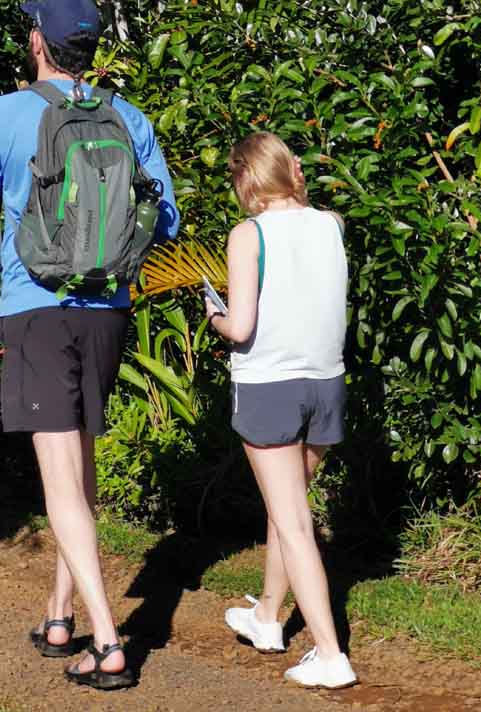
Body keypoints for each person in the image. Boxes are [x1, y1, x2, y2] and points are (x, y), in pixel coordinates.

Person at [0, 0, 179, 690]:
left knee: (60, 482)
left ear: (37, 44)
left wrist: (18, 247)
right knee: (79, 471)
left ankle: (108, 643)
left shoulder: (2, 115)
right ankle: (58, 614)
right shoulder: (127, 117)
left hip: (36, 310)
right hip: (106, 311)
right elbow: (163, 220)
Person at [206, 131, 357, 690]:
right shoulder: (332, 225)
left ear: (245, 178)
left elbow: (241, 326)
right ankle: (267, 617)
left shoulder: (248, 235)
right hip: (326, 384)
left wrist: (213, 315)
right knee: (286, 505)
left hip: (270, 384)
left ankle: (329, 652)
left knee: (292, 522)